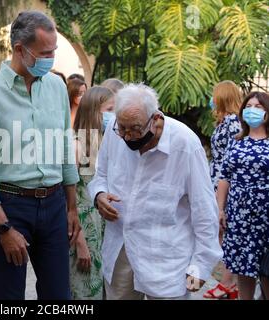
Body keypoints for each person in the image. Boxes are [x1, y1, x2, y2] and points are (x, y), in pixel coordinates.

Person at [0, 11, 81, 300]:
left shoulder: (55, 87)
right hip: (10, 207)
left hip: (54, 205)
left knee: (59, 296)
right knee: (9, 298)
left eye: (53, 51)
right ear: (20, 49)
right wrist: (3, 228)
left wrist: (71, 206)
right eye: (45, 52)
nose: (51, 57)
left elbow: (65, 146)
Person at [88, 83, 223, 300]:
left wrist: (201, 265)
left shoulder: (185, 145)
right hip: (121, 250)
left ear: (156, 118)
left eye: (135, 129)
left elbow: (204, 209)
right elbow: (100, 175)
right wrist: (99, 195)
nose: (128, 136)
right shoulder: (116, 130)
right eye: (123, 128)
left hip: (167, 262)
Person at [217, 92, 269, 300]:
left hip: (265, 216)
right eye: (249, 105)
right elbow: (225, 177)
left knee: (266, 270)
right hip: (239, 215)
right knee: (242, 268)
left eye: (258, 106)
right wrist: (220, 209)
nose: (252, 109)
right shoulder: (236, 142)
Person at [71, 86, 115, 299]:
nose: (114, 116)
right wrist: (80, 243)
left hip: (104, 231)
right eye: (110, 109)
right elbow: (66, 197)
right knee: (85, 292)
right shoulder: (77, 145)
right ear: (94, 111)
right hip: (84, 231)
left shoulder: (107, 143)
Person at [203, 80, 242, 299]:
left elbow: (230, 160)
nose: (212, 99)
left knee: (225, 230)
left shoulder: (234, 123)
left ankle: (229, 283)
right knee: (220, 231)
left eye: (214, 95)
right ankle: (228, 282)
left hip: (224, 184)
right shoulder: (224, 122)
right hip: (216, 181)